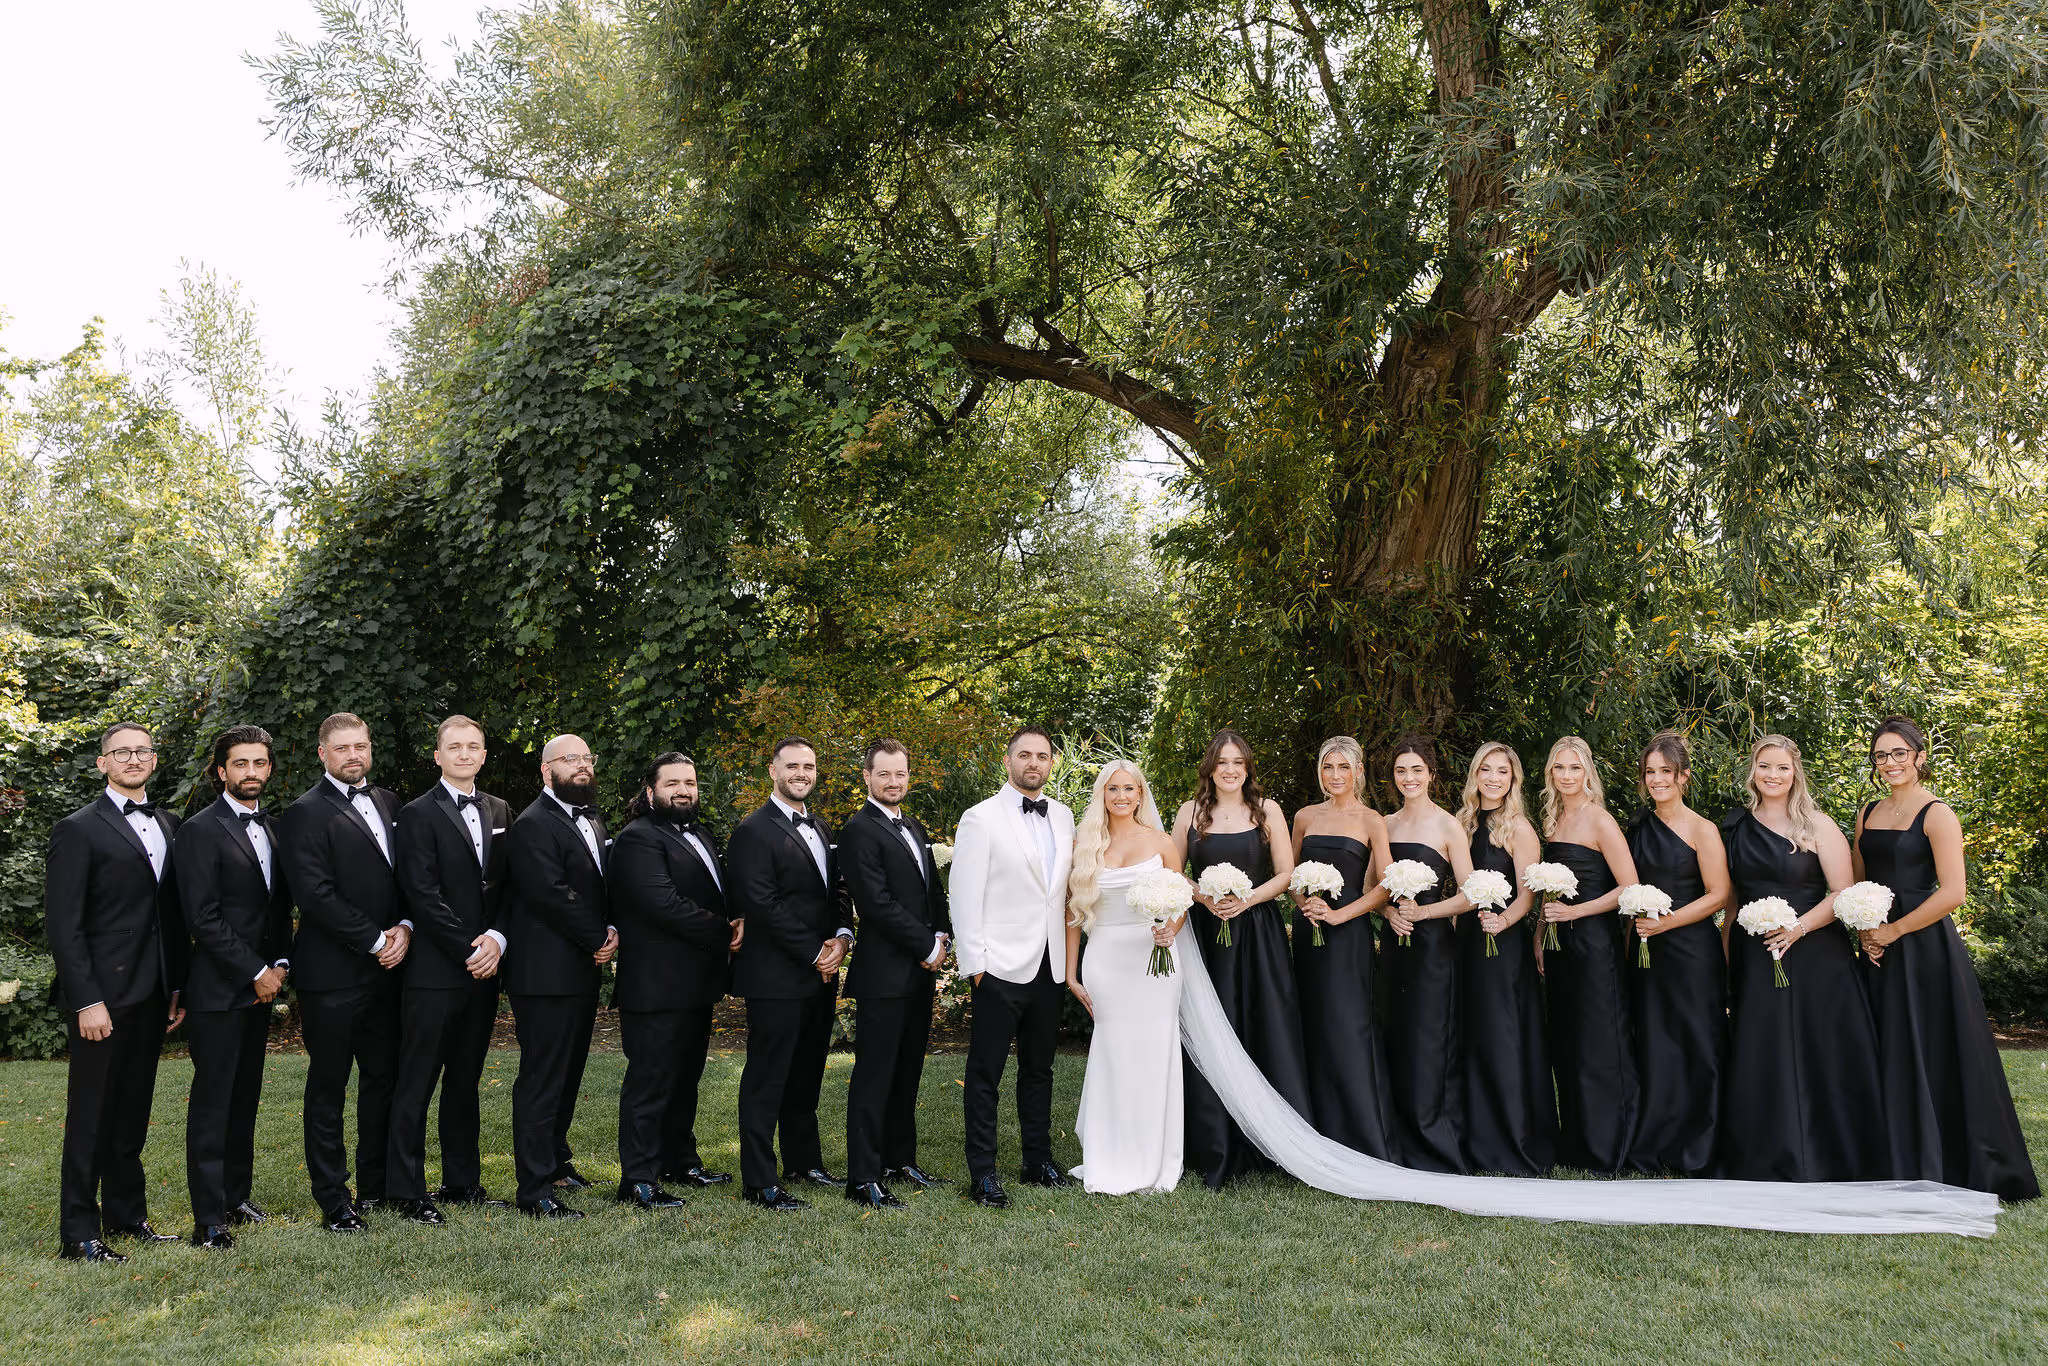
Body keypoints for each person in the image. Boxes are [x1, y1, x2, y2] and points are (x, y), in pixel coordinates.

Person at [1854, 717, 2037, 1200]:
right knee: (1884, 1044)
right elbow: (1857, 881)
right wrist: (1865, 932)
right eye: (1880, 755)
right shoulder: (1867, 811)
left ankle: (1944, 1157)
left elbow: (1954, 892)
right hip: (1875, 946)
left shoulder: (1937, 814)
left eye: (1898, 754)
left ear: (1919, 756)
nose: (1889, 763)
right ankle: (1893, 1154)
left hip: (1923, 944)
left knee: (1932, 1044)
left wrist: (1893, 931)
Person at [44, 721, 187, 1262]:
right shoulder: (77, 829)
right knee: (91, 1114)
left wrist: (177, 987)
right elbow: (64, 923)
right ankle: (79, 1233)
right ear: (102, 763)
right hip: (101, 997)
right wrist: (85, 998)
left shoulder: (170, 824)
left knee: (132, 1111)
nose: (133, 758)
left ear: (154, 760)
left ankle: (127, 1217)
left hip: (152, 994)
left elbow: (169, 919)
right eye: (121, 752)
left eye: (142, 751)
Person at [1719, 733, 1888, 1181]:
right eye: (1764, 766)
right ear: (1752, 770)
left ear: (1796, 773)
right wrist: (1726, 951)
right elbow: (1732, 899)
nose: (1772, 775)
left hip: (1815, 952)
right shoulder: (1735, 827)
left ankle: (1831, 1150)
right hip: (1756, 955)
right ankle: (1767, 1151)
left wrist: (1797, 929)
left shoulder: (1816, 824)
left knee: (1819, 1048)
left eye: (1782, 767)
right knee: (1763, 1048)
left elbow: (1842, 891)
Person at [277, 712, 410, 1233]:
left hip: (389, 972)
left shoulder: (390, 802)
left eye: (360, 746)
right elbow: (314, 894)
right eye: (342, 748)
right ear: (322, 754)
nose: (353, 755)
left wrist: (404, 926)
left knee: (384, 1080)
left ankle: (377, 1187)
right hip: (332, 976)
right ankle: (334, 1198)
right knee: (329, 1087)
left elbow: (405, 878)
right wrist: (376, 939)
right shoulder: (304, 813)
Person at [388, 715, 514, 1224]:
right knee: (417, 1080)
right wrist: (470, 947)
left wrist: (498, 940)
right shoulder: (417, 815)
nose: (465, 754)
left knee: (466, 1079)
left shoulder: (503, 810)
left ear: (484, 756)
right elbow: (421, 894)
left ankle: (462, 1181)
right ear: (437, 756)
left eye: (474, 747)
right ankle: (406, 1189)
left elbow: (510, 886)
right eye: (454, 747)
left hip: (486, 968)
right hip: (437, 971)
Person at [1170, 729, 1310, 1186]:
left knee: (1263, 1023)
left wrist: (1246, 901)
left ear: (1247, 767)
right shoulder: (1189, 813)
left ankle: (1274, 1147)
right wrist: (1203, 898)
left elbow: (1287, 874)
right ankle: (1215, 1145)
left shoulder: (1267, 810)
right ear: (1210, 766)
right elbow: (1172, 872)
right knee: (1215, 1026)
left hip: (1257, 933)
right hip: (1206, 934)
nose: (1230, 769)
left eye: (1238, 762)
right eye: (1222, 761)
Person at [174, 725, 293, 1249]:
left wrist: (282, 963)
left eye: (259, 763)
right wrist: (254, 971)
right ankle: (208, 1219)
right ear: (221, 771)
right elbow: (203, 917)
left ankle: (235, 1197)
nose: (251, 772)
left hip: (262, 986)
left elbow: (278, 908)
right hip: (220, 991)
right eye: (240, 764)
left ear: (269, 768)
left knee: (246, 1097)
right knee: (213, 1102)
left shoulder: (274, 826)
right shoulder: (200, 830)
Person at [948, 724, 1076, 1209]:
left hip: (1049, 965)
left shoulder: (1064, 817)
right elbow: (964, 894)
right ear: (1008, 762)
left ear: (1050, 764)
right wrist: (975, 965)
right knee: (985, 1074)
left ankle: (1037, 1160)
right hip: (998, 966)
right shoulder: (980, 818)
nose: (1033, 764)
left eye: (1042, 756)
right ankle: (983, 1173)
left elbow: (1063, 892)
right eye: (1025, 755)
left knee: (1039, 1069)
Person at [610, 752, 740, 1210]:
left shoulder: (700, 833)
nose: (683, 790)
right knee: (650, 1081)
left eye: (690, 781)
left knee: (686, 1078)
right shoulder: (637, 839)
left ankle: (680, 1161)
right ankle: (638, 1179)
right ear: (651, 791)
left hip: (696, 982)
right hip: (656, 985)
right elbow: (662, 904)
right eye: (673, 783)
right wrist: (726, 930)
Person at [729, 736, 852, 1210]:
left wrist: (841, 937)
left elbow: (837, 889)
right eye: (792, 766)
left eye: (809, 766)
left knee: (806, 1073)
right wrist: (812, 951)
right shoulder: (753, 831)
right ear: (773, 771)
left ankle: (804, 1161)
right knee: (767, 1075)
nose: (802, 773)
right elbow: (762, 902)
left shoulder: (819, 825)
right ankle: (759, 1180)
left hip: (821, 971)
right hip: (776, 974)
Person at [502, 734, 618, 1218]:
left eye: (587, 758)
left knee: (569, 1072)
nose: (583, 766)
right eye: (571, 759)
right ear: (546, 771)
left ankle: (555, 1162)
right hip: (544, 973)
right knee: (542, 1077)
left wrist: (610, 928)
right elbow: (551, 893)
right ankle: (533, 1189)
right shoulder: (531, 824)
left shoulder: (591, 816)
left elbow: (598, 885)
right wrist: (598, 937)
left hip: (580, 971)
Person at [1065, 760, 1188, 1194]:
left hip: (1155, 960)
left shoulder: (1161, 842)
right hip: (1105, 961)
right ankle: (1109, 1152)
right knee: (1114, 1053)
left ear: (1140, 794)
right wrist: (1071, 974)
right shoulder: (1085, 845)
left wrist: (1167, 931)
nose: (1120, 796)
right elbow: (1072, 915)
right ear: (1102, 794)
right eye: (1112, 788)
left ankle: (1155, 1156)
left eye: (1129, 788)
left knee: (1154, 1052)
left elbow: (1181, 901)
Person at [839, 739, 953, 1209]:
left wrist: (943, 934)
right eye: (883, 774)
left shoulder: (914, 825)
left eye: (900, 774)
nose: (893, 782)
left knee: (907, 1072)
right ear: (867, 777)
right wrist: (926, 944)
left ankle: (898, 1160)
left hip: (919, 974)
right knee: (874, 1075)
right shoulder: (858, 830)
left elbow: (931, 892)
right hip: (884, 975)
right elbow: (876, 904)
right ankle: (863, 1176)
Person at [1623, 732, 1729, 1177]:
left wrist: (1667, 922)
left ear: (1683, 776)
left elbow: (1720, 894)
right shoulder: (1636, 829)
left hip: (1691, 951)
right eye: (1650, 772)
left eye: (1665, 771)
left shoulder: (1703, 829)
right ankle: (1653, 1146)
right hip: (1646, 952)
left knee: (1697, 1045)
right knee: (1654, 1046)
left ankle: (1699, 1150)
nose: (1656, 780)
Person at [1290, 735, 1399, 1160]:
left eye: (1343, 768)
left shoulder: (1372, 820)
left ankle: (1361, 1137)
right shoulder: (1303, 816)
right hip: (1309, 932)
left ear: (1357, 771)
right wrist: (1305, 905)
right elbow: (1289, 873)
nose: (1335, 776)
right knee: (1311, 1023)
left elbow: (1386, 884)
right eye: (1327, 767)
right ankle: (1315, 1131)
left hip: (1348, 936)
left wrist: (1340, 914)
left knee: (1349, 1027)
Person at [1537, 734, 1641, 1175]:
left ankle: (1611, 1145)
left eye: (1574, 768)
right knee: (1569, 1041)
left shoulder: (1600, 820)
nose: (1566, 776)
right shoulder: (1551, 820)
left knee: (1601, 1041)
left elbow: (1629, 886)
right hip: (1558, 947)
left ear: (1587, 773)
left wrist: (1576, 911)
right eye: (1559, 768)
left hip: (1595, 942)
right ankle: (1577, 1142)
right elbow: (1546, 893)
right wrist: (1540, 933)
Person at [1454, 741, 1554, 1177]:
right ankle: (1473, 1137)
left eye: (1503, 772)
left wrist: (1504, 922)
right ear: (1475, 774)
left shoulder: (1518, 827)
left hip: (1502, 943)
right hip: (1466, 946)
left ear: (1513, 780)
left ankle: (1512, 1137)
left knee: (1502, 1035)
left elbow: (1529, 892)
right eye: (1487, 770)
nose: (1494, 778)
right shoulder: (1460, 823)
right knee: (1470, 1033)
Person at [1379, 734, 1476, 1174]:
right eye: (1401, 770)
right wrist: (1387, 911)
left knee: (1430, 1038)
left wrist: (1424, 913)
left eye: (1417, 770)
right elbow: (1369, 888)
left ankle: (1435, 1138)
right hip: (1393, 944)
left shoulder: (1447, 826)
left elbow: (1471, 894)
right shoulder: (1385, 824)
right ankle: (1396, 1133)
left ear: (1431, 775)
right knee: (1394, 1033)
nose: (1409, 777)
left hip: (1433, 946)